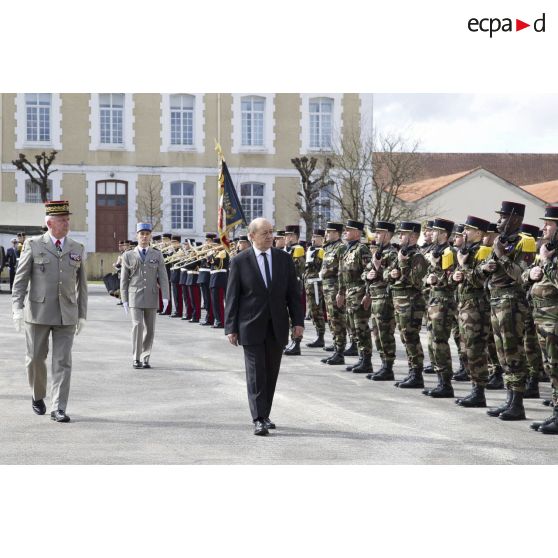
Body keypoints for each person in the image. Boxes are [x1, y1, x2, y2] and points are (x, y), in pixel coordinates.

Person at [225, 217, 304, 436]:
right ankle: (258, 418)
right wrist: (230, 327)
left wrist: (298, 322)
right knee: (256, 373)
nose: (270, 236)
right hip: (250, 325)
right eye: (265, 233)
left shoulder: (283, 259)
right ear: (252, 236)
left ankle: (265, 414)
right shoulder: (240, 261)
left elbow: (293, 295)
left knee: (271, 372)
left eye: (271, 232)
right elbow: (232, 297)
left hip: (277, 325)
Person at [11, 200, 88, 423]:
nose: (67, 223)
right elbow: (20, 281)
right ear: (50, 223)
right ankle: (37, 395)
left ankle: (58, 407)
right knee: (35, 358)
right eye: (62, 220)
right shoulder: (33, 245)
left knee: (63, 361)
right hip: (38, 313)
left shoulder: (76, 248)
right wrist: (17, 308)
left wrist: (82, 314)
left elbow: (81, 286)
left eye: (67, 219)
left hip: (67, 314)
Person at [482, 201, 534, 421]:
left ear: (515, 219)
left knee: (513, 352)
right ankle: (509, 398)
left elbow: (522, 276)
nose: (499, 220)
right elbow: (481, 270)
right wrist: (484, 268)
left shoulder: (525, 241)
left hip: (513, 303)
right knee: (502, 353)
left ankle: (518, 403)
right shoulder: (499, 241)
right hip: (495, 301)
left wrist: (501, 256)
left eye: (503, 217)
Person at [120, 223, 170, 369]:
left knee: (150, 328)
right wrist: (124, 299)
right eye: (141, 234)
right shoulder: (128, 255)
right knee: (137, 325)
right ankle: (136, 357)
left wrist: (165, 296)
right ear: (137, 235)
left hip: (152, 295)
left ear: (150, 236)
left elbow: (163, 277)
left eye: (147, 234)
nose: (144, 236)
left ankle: (145, 356)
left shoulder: (157, 254)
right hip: (135, 295)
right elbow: (124, 279)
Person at [336, 219, 373, 374]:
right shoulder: (347, 250)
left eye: (349, 230)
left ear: (358, 232)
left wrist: (368, 294)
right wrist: (341, 292)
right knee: (353, 328)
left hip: (359, 292)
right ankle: (361, 358)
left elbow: (369, 272)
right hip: (349, 293)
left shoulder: (362, 249)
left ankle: (366, 361)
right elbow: (342, 274)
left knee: (361, 328)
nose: (346, 232)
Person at [364, 221, 398, 380]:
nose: (376, 235)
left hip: (385, 298)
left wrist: (378, 268)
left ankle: (388, 367)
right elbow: (365, 272)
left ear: (387, 235)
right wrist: (368, 275)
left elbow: (393, 276)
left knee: (386, 334)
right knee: (377, 334)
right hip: (375, 296)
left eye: (379, 233)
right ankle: (383, 364)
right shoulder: (377, 252)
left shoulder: (392, 253)